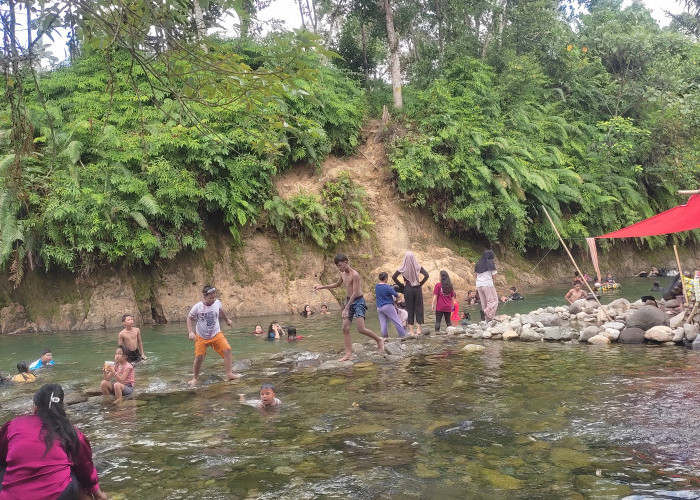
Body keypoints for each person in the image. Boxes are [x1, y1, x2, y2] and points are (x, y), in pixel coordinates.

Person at [0, 384, 107, 500]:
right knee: (73, 470)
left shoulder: (14, 425)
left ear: (35, 407)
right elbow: (86, 469)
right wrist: (98, 494)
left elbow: (2, 455)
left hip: (12, 496)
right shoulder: (72, 433)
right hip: (59, 495)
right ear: (61, 407)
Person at [314, 254, 385, 361]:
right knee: (345, 327)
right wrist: (322, 287)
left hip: (358, 301)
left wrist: (346, 308)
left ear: (346, 262)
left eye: (340, 265)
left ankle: (379, 340)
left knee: (360, 329)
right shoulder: (342, 273)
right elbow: (337, 284)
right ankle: (348, 354)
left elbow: (355, 293)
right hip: (349, 301)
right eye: (338, 266)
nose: (339, 268)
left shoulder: (355, 275)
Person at [186, 285, 239, 385]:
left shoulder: (217, 302)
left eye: (214, 297)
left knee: (227, 349)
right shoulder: (198, 307)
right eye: (211, 298)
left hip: (216, 333)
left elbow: (221, 311)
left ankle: (229, 374)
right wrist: (190, 332)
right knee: (199, 357)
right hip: (201, 336)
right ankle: (195, 378)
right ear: (204, 297)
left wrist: (227, 320)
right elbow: (189, 318)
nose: (213, 300)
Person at [392, 251, 429, 336]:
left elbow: (394, 277)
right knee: (419, 307)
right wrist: (421, 283)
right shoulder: (418, 267)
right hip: (417, 288)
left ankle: (411, 331)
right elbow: (426, 275)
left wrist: (401, 285)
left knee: (409, 308)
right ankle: (419, 328)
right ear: (413, 258)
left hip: (408, 288)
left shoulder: (402, 267)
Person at [375, 272, 407, 339]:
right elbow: (396, 295)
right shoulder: (387, 287)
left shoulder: (376, 286)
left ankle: (385, 337)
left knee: (383, 323)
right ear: (386, 278)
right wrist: (396, 302)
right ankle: (403, 335)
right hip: (388, 306)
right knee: (396, 321)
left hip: (379, 308)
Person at [475, 250, 499, 321]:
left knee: (484, 302)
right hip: (487, 284)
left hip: (479, 285)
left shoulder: (478, 263)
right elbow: (494, 276)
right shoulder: (490, 263)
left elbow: (475, 275)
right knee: (494, 301)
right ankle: (485, 312)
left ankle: (487, 320)